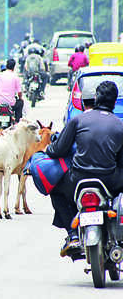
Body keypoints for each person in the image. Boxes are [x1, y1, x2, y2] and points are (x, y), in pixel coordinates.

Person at [46, 81, 123, 258]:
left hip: (78, 179)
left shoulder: (78, 120)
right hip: (109, 180)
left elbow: (59, 149)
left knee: (56, 190)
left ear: (96, 98)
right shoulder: (119, 125)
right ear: (114, 101)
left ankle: (72, 235)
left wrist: (48, 149)